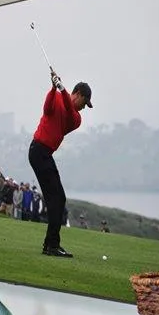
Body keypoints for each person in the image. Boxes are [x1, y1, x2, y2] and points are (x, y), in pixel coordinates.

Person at [27, 72, 92, 258]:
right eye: (84, 102)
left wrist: (62, 89)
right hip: (38, 151)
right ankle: (52, 245)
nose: (84, 108)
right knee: (58, 199)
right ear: (77, 94)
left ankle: (50, 245)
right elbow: (47, 108)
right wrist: (54, 87)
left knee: (57, 200)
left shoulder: (76, 119)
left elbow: (69, 112)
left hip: (44, 154)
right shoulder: (56, 97)